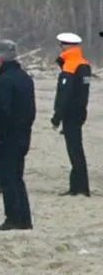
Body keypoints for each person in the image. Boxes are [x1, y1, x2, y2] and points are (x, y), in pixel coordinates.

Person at [0, 39, 35, 231]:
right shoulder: (25, 78)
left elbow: (2, 112)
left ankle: (14, 218)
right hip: (23, 134)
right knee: (17, 177)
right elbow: (30, 110)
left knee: (8, 177)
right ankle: (24, 218)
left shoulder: (4, 81)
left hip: (8, 137)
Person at [52, 32, 92, 196]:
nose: (60, 48)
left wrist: (57, 117)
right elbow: (83, 94)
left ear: (67, 46)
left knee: (74, 150)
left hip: (70, 114)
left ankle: (79, 187)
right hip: (79, 112)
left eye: (61, 45)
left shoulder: (71, 65)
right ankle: (79, 186)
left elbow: (64, 95)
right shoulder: (84, 64)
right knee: (76, 149)